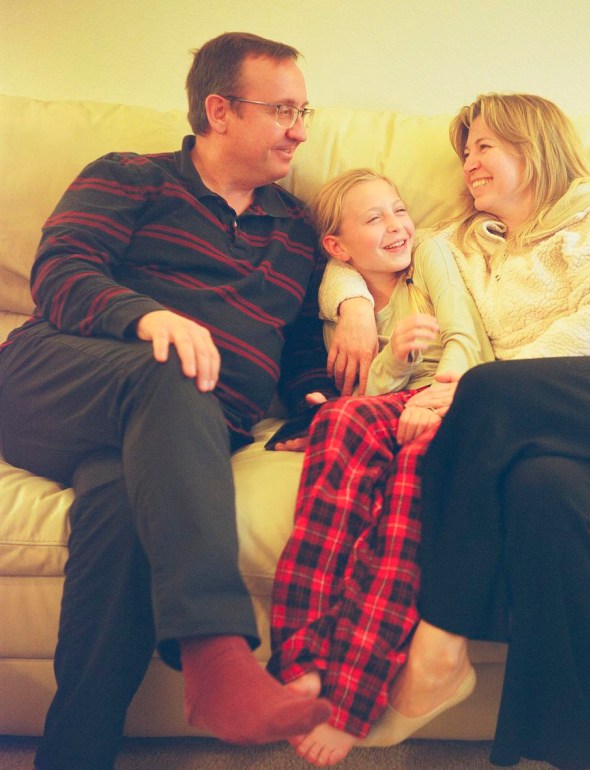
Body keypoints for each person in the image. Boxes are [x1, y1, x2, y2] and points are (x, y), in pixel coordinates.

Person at [0, 32, 377, 770]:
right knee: (172, 369)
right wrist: (148, 318)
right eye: (283, 110)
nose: (301, 129)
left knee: (116, 512)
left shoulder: (298, 230)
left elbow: (300, 343)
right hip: (58, 380)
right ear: (220, 111)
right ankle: (214, 654)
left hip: (183, 430)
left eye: (306, 111)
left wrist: (320, 397)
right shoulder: (133, 178)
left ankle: (73, 754)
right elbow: (63, 272)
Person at [319, 93, 590, 770]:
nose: (469, 164)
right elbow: (358, 252)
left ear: (532, 149)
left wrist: (484, 390)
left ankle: (441, 640)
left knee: (483, 393)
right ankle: (578, 743)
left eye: (485, 147)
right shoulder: (456, 246)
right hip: (549, 435)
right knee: (540, 494)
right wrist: (353, 301)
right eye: (465, 151)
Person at [267, 168, 493, 766]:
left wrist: (436, 390)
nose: (397, 226)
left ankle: (350, 698)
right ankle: (301, 659)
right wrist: (391, 359)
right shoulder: (334, 297)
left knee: (409, 491)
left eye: (399, 210)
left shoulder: (433, 257)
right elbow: (359, 392)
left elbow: (468, 336)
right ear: (338, 247)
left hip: (449, 397)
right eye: (375, 219)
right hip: (381, 399)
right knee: (336, 424)